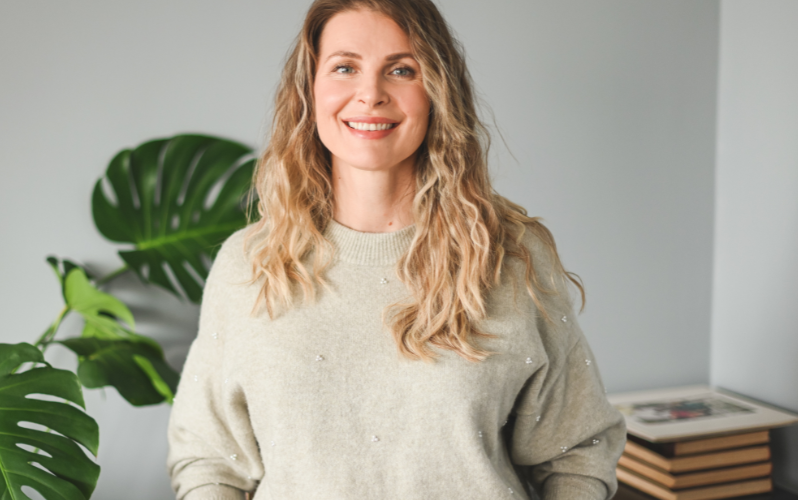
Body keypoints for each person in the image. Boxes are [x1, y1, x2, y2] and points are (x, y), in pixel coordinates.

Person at [166, 0, 625, 498]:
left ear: (436, 91)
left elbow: (577, 452)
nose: (371, 95)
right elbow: (211, 461)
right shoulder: (249, 264)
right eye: (345, 67)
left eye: (401, 70)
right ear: (310, 89)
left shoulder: (512, 257)